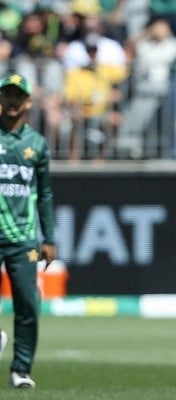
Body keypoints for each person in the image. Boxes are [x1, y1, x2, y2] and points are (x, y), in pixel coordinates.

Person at [0, 73, 56, 389]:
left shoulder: (36, 144)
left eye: (17, 96)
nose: (11, 100)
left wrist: (50, 238)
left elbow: (45, 194)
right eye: (7, 94)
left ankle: (21, 369)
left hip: (23, 238)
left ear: (28, 102)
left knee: (27, 305)